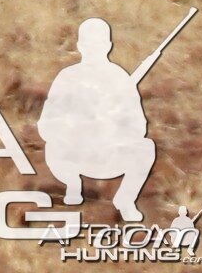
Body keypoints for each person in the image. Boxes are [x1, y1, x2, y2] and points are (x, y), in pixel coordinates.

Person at [42, 18, 158, 221]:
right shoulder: (67, 77)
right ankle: (73, 185)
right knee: (53, 146)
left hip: (108, 155)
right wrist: (76, 126)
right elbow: (46, 125)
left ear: (108, 46)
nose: (93, 49)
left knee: (145, 148)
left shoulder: (120, 78)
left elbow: (138, 126)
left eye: (99, 43)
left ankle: (125, 199)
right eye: (89, 44)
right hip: (74, 155)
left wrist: (114, 121)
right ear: (79, 46)